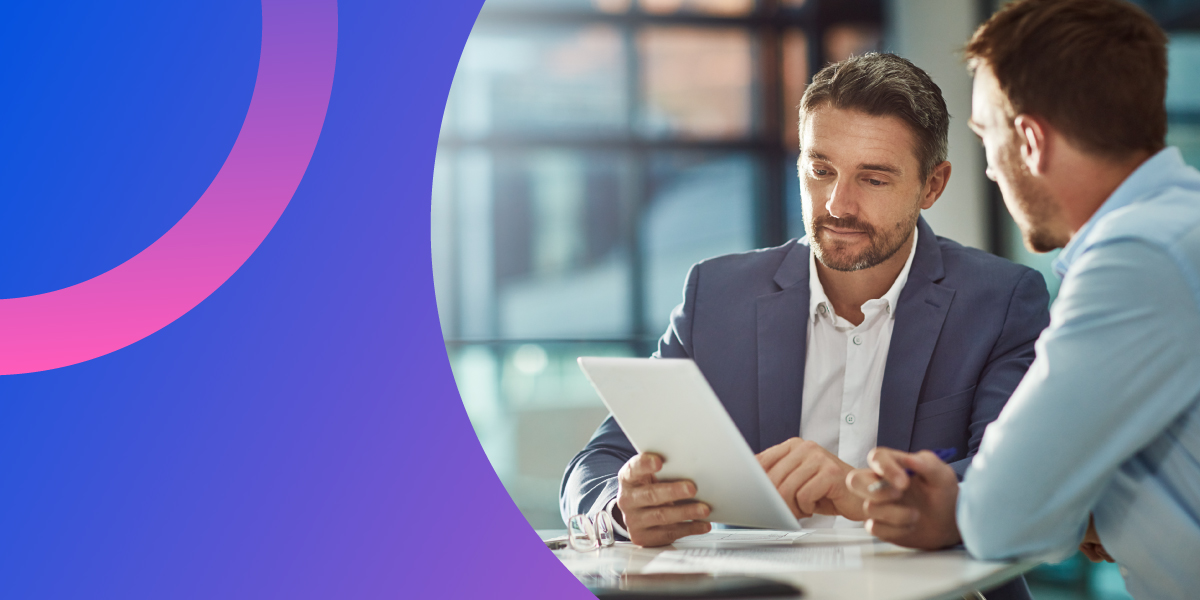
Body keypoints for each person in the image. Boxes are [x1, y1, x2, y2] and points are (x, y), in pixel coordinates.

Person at [561, 53, 1048, 597]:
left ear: (932, 187)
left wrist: (860, 489)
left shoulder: (1001, 300)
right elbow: (600, 462)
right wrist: (623, 509)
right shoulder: (718, 296)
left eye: (874, 178)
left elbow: (1010, 483)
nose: (839, 204)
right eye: (821, 171)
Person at [843, 2, 1200, 599]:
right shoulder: (1179, 226)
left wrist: (961, 507)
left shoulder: (1135, 257)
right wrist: (1086, 509)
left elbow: (1004, 516)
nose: (987, 169)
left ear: (1031, 140)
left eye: (987, 136)